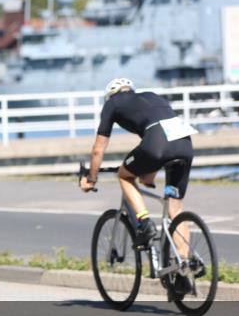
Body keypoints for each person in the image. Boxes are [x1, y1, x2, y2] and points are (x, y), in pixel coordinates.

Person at [79, 77, 197, 290]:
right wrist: (149, 175)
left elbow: (98, 149)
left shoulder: (112, 103)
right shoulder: (152, 97)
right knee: (175, 208)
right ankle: (183, 265)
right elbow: (162, 136)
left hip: (158, 143)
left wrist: (91, 177)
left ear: (111, 94)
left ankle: (143, 223)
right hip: (185, 142)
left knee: (125, 176)